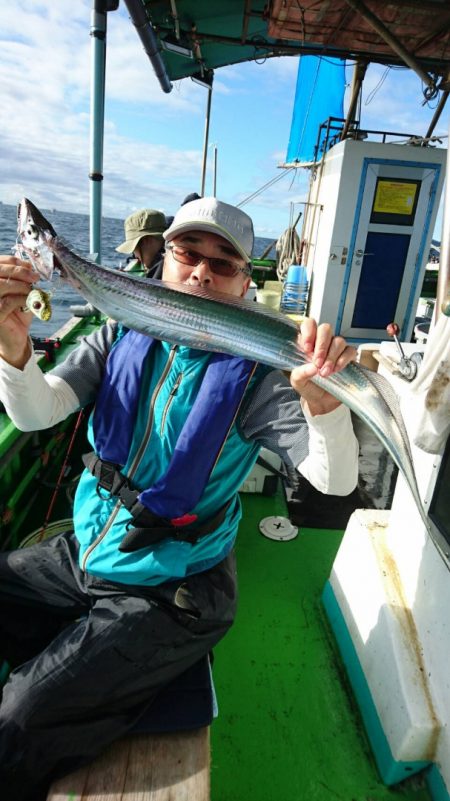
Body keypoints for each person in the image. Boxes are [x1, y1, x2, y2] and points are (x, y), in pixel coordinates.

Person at [0, 197, 359, 801]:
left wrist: (327, 409)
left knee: (16, 720)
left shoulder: (261, 370)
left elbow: (336, 481)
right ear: (164, 260)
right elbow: (38, 412)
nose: (201, 272)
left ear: (246, 283)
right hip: (92, 547)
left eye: (224, 264)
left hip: (176, 587)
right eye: (188, 253)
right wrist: (12, 349)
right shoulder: (118, 329)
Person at [116, 207, 167, 278]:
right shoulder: (137, 266)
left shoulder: (170, 270)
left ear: (147, 240)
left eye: (134, 248)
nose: (134, 253)